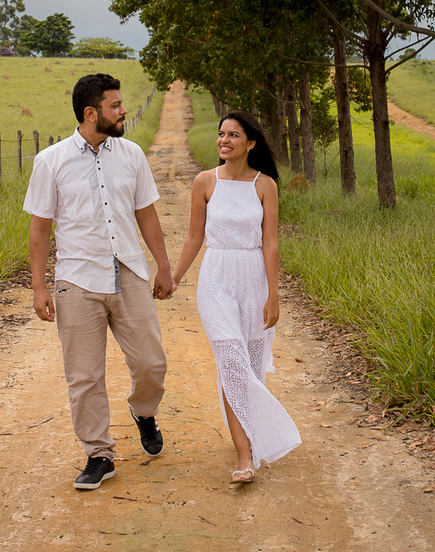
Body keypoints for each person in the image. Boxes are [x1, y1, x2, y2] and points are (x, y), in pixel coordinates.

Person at [23, 73, 175, 490]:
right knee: (84, 375)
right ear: (91, 114)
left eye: (122, 104)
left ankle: (144, 412)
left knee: (151, 363)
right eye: (115, 105)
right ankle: (99, 454)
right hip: (77, 280)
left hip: (128, 272)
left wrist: (163, 266)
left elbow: (146, 214)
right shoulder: (50, 161)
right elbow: (39, 230)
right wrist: (40, 288)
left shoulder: (132, 155)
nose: (123, 110)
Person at [172, 110, 301, 484]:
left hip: (254, 279)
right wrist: (175, 277)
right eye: (221, 134)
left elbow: (271, 242)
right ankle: (246, 455)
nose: (224, 140)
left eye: (233, 135)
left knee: (253, 365)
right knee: (231, 360)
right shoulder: (204, 182)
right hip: (216, 279)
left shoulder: (265, 185)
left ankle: (248, 433)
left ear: (251, 143)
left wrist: (274, 296)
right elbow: (195, 236)